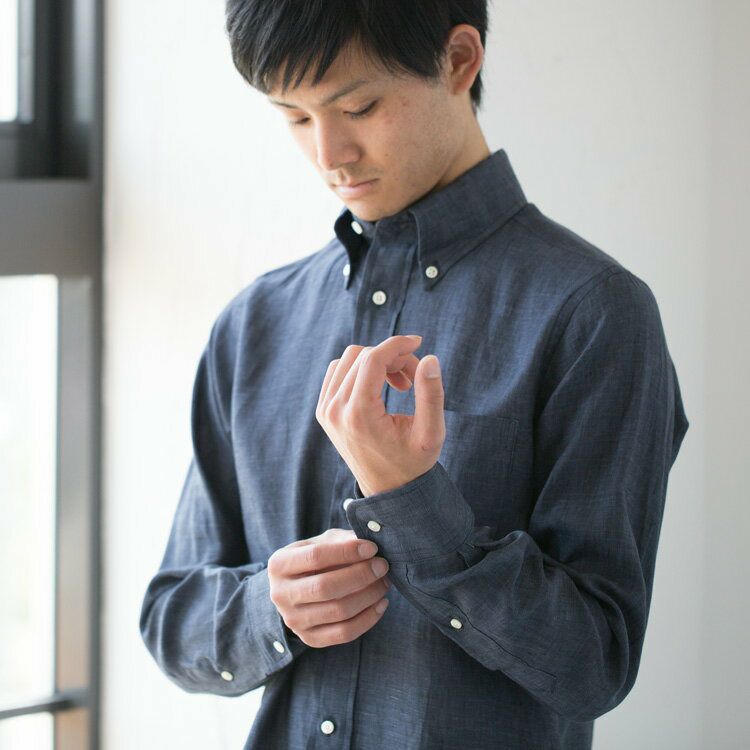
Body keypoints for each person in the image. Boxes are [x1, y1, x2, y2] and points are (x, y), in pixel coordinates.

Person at [139, 2, 690, 748]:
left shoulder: (592, 312)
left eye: (358, 107)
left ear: (459, 60)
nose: (330, 153)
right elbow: (171, 620)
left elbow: (595, 663)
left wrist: (415, 505)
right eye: (294, 117)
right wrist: (271, 610)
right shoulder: (255, 323)